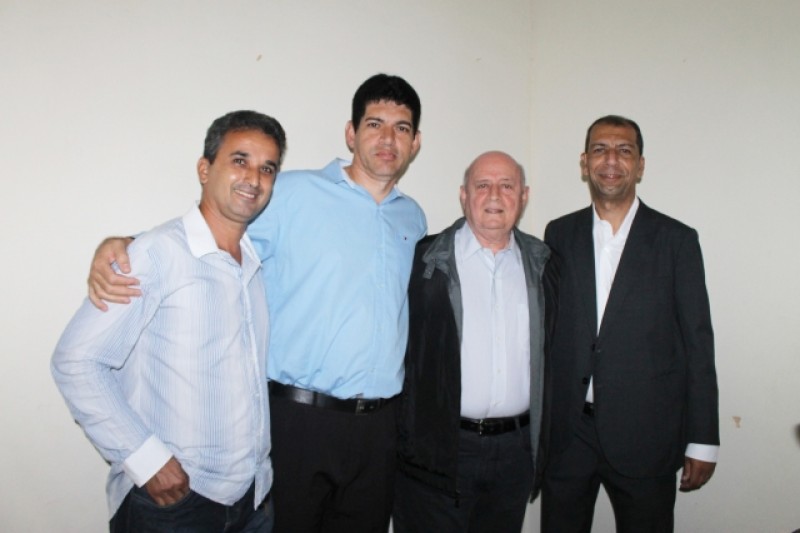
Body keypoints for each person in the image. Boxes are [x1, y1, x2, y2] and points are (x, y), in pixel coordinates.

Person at [85, 74, 426, 533]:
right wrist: (127, 242)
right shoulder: (292, 193)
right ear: (351, 133)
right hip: (298, 421)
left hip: (378, 430)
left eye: (401, 128)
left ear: (415, 142)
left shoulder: (413, 217)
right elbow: (214, 232)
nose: (387, 139)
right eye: (374, 124)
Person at [51, 110, 287, 532]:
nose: (254, 178)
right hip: (176, 504)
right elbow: (76, 361)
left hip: (253, 498)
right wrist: (146, 460)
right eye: (240, 160)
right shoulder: (155, 254)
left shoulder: (253, 262)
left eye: (267, 168)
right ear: (204, 169)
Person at [540, 115, 719, 532]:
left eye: (624, 150)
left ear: (640, 165)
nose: (611, 160)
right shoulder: (559, 234)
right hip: (569, 436)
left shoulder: (677, 240)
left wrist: (703, 439)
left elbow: (698, 343)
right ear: (584, 162)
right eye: (600, 149)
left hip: (647, 434)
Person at [393, 151, 556, 533]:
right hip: (438, 451)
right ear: (463, 195)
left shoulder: (545, 266)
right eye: (482, 185)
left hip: (515, 454)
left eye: (507, 185)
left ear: (524, 196)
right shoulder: (422, 261)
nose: (494, 195)